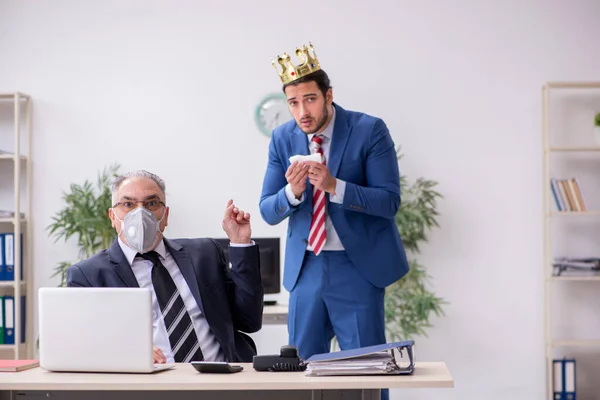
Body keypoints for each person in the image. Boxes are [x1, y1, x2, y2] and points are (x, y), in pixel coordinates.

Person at [260, 43, 410, 365]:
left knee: (368, 369)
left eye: (310, 99)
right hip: (306, 270)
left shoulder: (369, 130)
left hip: (356, 268)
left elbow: (389, 201)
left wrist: (334, 186)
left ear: (328, 96)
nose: (303, 112)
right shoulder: (282, 138)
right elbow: (267, 209)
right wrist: (292, 193)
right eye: (294, 103)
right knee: (301, 371)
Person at [66, 170, 263, 363]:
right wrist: (125, 351)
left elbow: (249, 321)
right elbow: (84, 345)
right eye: (128, 204)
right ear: (112, 217)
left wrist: (240, 243)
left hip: (220, 379)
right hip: (149, 387)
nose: (141, 213)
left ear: (166, 215)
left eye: (152, 203)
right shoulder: (88, 275)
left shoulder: (204, 253)